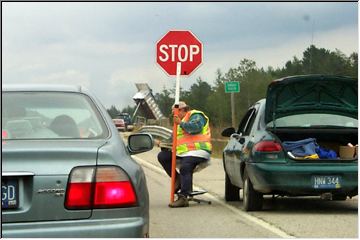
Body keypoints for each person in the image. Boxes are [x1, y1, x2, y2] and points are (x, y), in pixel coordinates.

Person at [157, 101, 212, 208]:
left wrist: (180, 123)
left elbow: (195, 128)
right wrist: (162, 144)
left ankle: (183, 197)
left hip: (199, 150)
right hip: (184, 152)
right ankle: (177, 179)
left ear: (181, 110)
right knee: (163, 156)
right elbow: (172, 141)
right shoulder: (178, 123)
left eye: (174, 113)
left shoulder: (196, 115)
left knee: (185, 167)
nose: (174, 116)